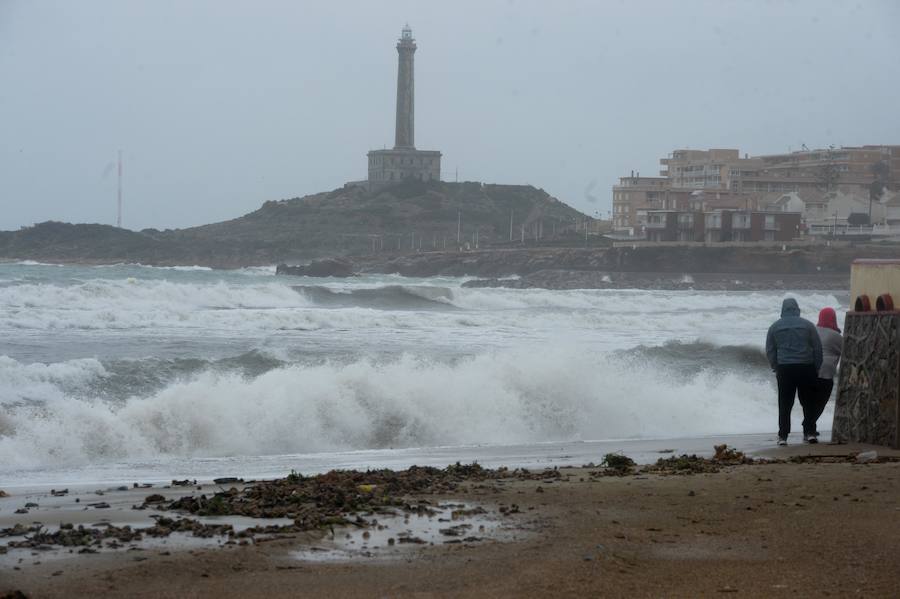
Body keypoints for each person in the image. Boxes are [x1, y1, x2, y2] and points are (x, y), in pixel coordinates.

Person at [766, 298, 823, 446]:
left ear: (783, 310)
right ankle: (810, 433)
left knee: (785, 403)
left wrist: (776, 367)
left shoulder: (774, 327)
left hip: (785, 369)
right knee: (808, 402)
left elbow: (770, 350)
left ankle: (783, 436)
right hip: (806, 367)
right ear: (797, 309)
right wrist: (816, 367)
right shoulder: (808, 325)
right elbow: (817, 348)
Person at [809, 307, 843, 439]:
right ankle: (809, 425)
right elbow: (848, 350)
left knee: (810, 401)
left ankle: (810, 426)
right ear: (833, 318)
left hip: (810, 370)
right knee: (821, 402)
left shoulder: (812, 332)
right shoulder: (835, 336)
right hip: (826, 373)